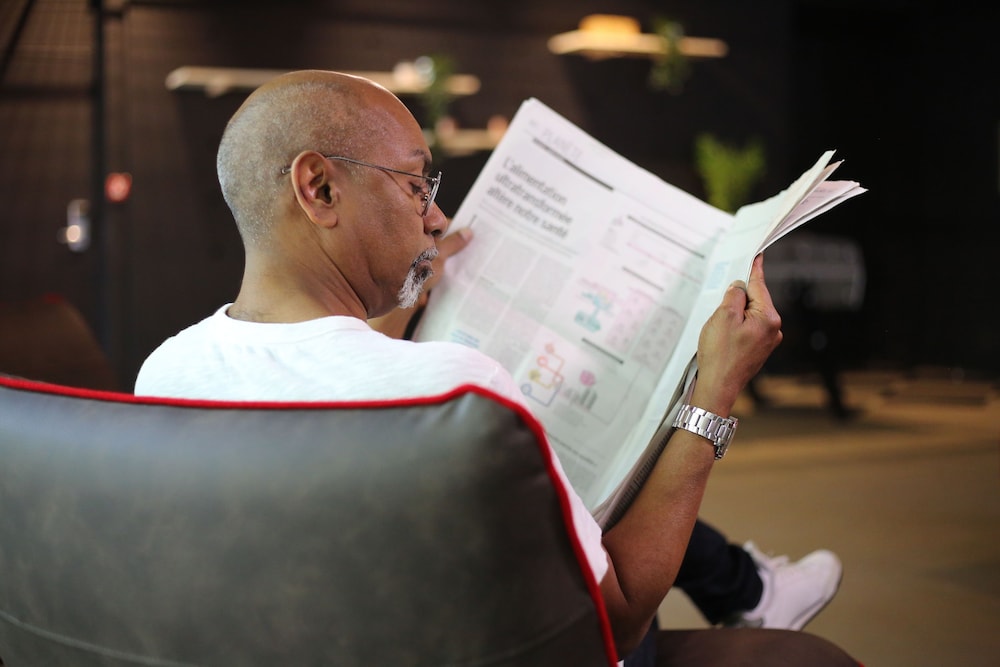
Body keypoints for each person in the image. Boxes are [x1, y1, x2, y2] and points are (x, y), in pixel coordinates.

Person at [135, 70, 856, 666]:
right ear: (319, 188)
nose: (437, 218)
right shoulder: (454, 388)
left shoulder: (164, 373)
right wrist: (715, 389)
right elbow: (618, 620)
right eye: (417, 185)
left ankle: (750, 586)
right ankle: (753, 589)